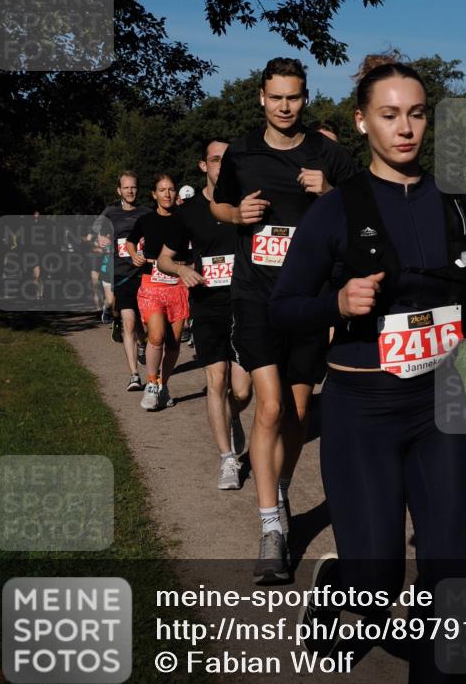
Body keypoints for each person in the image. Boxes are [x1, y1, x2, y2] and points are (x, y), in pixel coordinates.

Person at [270, 55, 466, 684]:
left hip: (441, 405)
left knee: (448, 573)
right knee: (377, 580)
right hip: (361, 411)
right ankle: (340, 587)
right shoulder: (336, 212)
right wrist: (336, 305)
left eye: (416, 113)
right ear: (361, 122)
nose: (406, 128)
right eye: (389, 115)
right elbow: (283, 306)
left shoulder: (460, 203)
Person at [211, 56, 357, 583]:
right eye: (276, 97)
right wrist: (237, 215)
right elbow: (220, 207)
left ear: (304, 98)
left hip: (310, 299)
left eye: (293, 97)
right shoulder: (242, 153)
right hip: (255, 296)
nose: (284, 106)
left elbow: (367, 210)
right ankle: (271, 525)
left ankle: (281, 489)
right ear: (261, 98)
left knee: (296, 411)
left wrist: (331, 193)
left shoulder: (328, 154)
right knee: (269, 407)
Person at [158, 141, 252, 488]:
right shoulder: (190, 211)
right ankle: (227, 460)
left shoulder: (245, 203)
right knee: (217, 380)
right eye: (215, 160)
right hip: (207, 305)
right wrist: (182, 272)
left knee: (242, 390)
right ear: (203, 166)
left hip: (244, 303)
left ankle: (232, 416)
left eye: (228, 160)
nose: (222, 166)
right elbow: (164, 259)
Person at [126, 173, 189, 411]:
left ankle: (163, 385)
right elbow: (131, 241)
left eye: (171, 189)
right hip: (152, 285)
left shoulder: (185, 219)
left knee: (173, 344)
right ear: (154, 194)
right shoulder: (146, 220)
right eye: (162, 190)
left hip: (179, 286)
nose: (167, 194)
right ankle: (151, 384)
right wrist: (135, 255)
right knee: (156, 336)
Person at [99, 172, 152, 392]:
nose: (130, 191)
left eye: (134, 187)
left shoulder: (147, 213)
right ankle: (134, 375)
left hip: (144, 275)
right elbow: (95, 236)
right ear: (119, 190)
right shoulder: (110, 214)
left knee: (143, 326)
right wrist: (100, 240)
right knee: (129, 322)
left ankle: (142, 345)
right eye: (126, 187)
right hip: (121, 275)